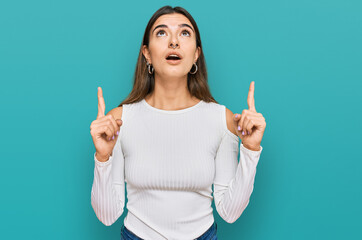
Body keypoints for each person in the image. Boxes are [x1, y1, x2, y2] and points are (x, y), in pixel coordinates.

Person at [90, 5, 266, 240]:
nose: (174, 42)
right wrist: (103, 158)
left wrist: (251, 150)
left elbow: (230, 212)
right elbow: (107, 216)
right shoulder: (120, 120)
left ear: (196, 54)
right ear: (147, 54)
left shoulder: (221, 119)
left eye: (185, 33)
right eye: (161, 33)